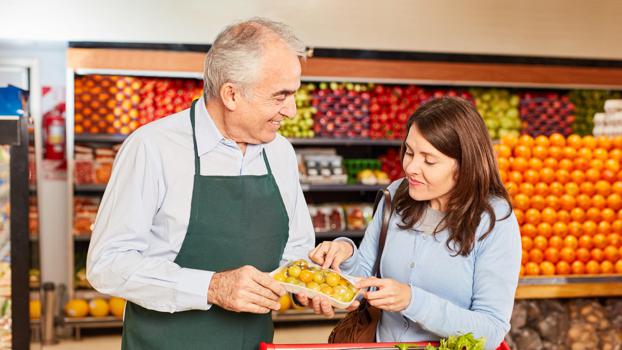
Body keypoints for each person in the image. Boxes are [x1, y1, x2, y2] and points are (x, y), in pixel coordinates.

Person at [87, 18, 320, 350]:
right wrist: (212, 286)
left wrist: (309, 283)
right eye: (280, 96)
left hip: (254, 343)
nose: (292, 111)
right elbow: (107, 264)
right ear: (231, 94)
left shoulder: (280, 152)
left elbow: (296, 249)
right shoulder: (153, 148)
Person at [309, 97, 522, 349]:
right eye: (409, 152)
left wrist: (412, 301)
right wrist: (344, 255)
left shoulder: (494, 221)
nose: (410, 167)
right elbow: (364, 278)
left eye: (429, 160)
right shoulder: (397, 195)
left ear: (466, 165)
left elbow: (491, 330)